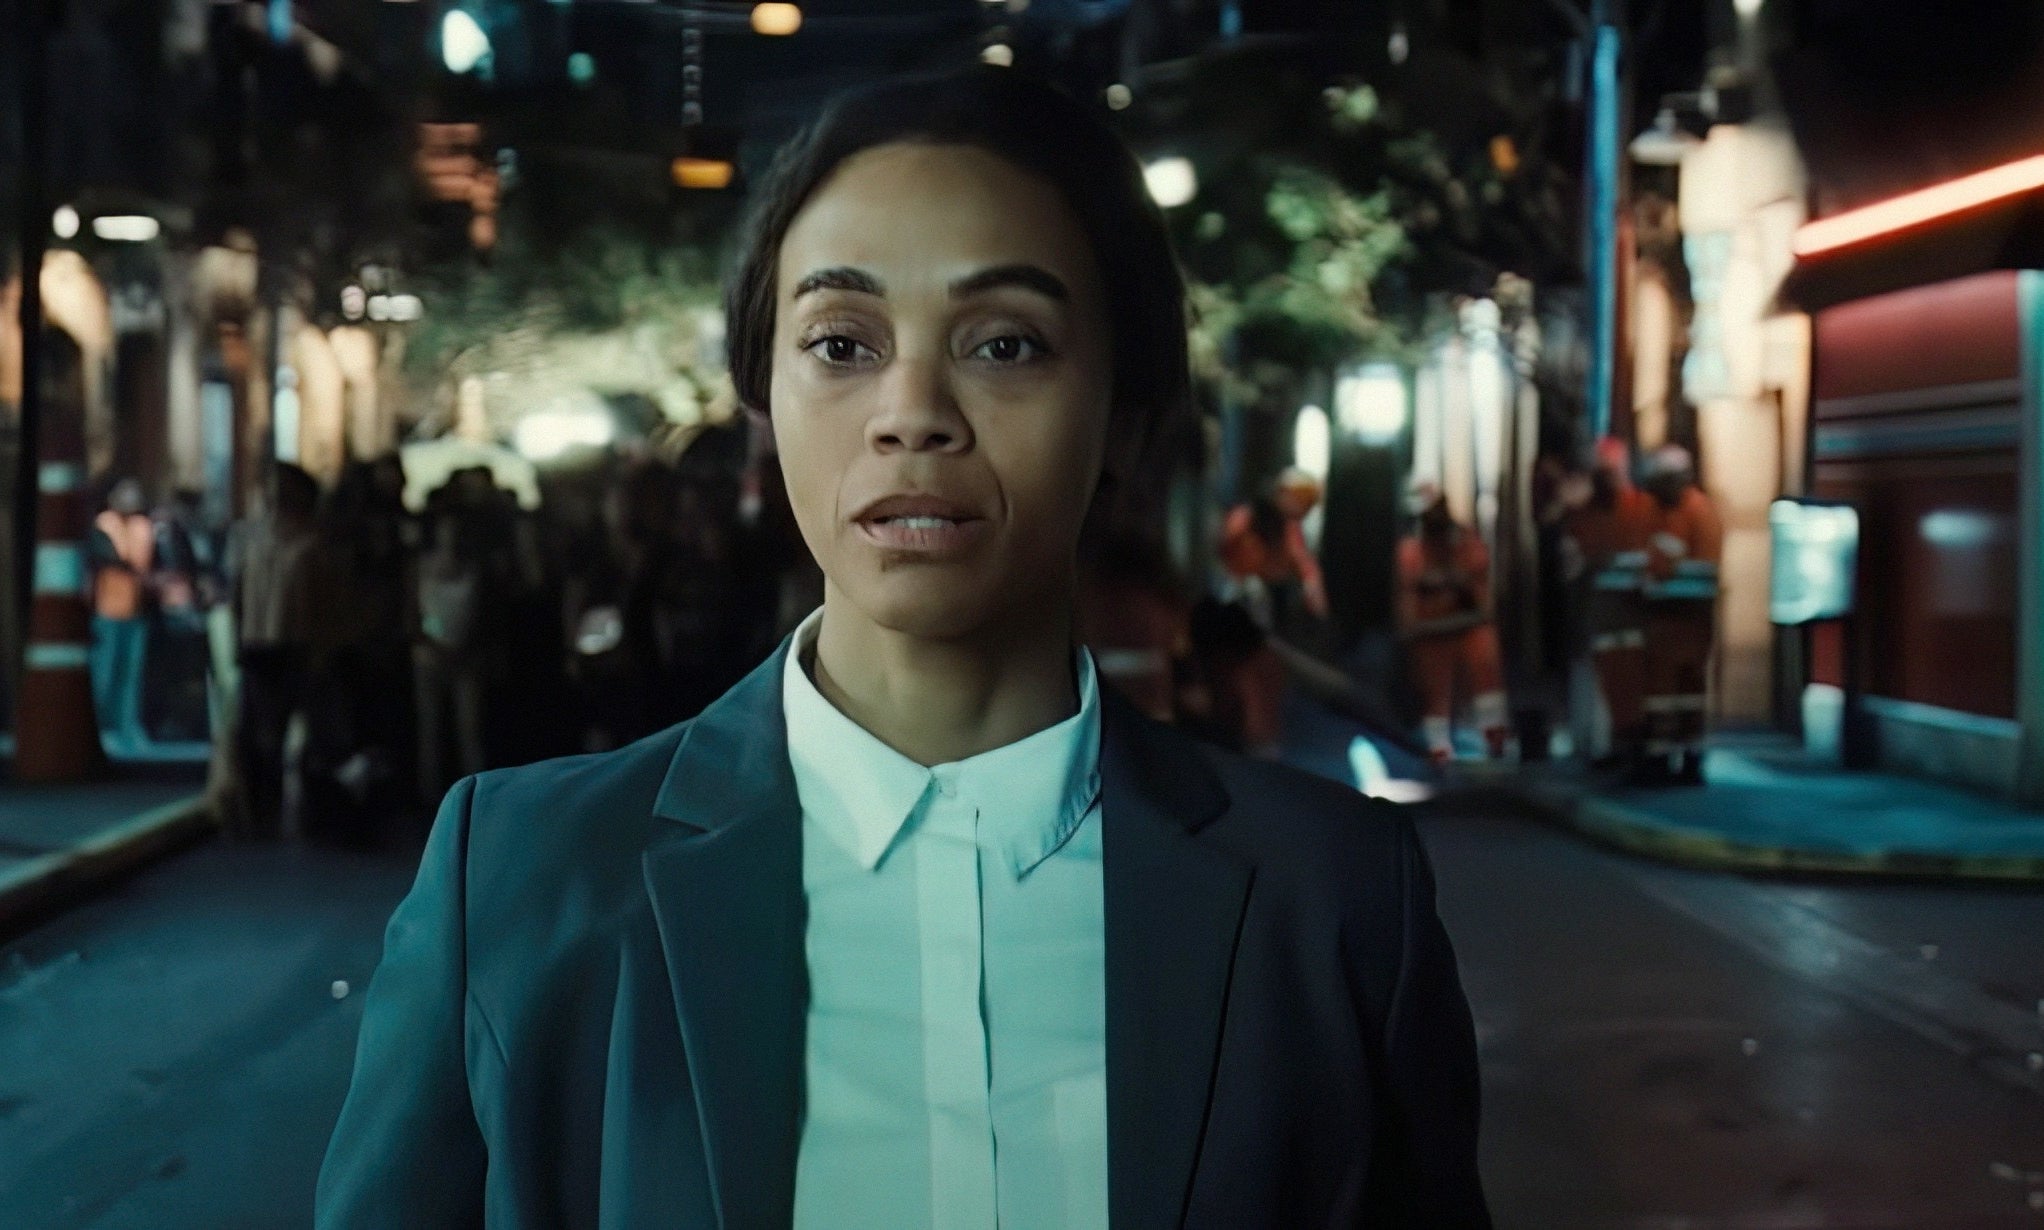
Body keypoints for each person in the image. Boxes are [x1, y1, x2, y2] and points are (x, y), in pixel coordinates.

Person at [319, 67, 1490, 1228]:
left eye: (1006, 345)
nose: (911, 410)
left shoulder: (1333, 905)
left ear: (1123, 416)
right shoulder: (521, 885)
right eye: (841, 344)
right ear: (763, 402)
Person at [226, 463, 321, 838]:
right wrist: (235, 636)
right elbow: (236, 591)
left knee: (297, 730)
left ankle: (297, 810)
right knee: (259, 731)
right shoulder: (247, 536)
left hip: (297, 643)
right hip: (257, 641)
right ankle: (260, 810)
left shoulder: (310, 538)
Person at [1397, 480, 1510, 764]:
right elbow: (1408, 595)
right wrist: (1410, 628)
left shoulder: (1466, 543)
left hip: (1469, 625)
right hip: (1432, 630)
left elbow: (1480, 591)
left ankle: (1495, 738)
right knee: (1434, 688)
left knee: (1486, 677)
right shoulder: (1412, 551)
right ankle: (1438, 749)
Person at [1563, 436, 1658, 766]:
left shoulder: (1642, 508)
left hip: (1635, 613)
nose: (1606, 479)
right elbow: (1571, 562)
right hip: (1599, 614)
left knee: (1630, 684)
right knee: (1605, 685)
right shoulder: (1584, 515)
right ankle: (1609, 746)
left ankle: (1627, 743)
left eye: (1610, 471)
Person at [1637, 443, 1723, 783]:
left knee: (1688, 688)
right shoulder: (1655, 510)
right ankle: (1660, 756)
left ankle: (1689, 757)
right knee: (1660, 691)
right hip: (1662, 618)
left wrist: (1660, 575)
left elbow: (1702, 568)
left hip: (1689, 617)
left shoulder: (1699, 512)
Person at [87, 478, 155, 752]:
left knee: (130, 675)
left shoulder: (143, 527)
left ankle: (127, 728)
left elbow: (149, 562)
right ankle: (104, 729)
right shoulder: (104, 524)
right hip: (107, 610)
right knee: (104, 674)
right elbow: (107, 558)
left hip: (136, 611)